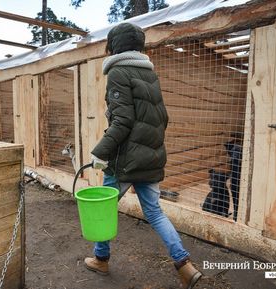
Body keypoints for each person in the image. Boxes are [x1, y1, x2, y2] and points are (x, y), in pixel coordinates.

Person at [85, 22, 202, 289]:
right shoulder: (149, 74)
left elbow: (123, 121)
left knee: (104, 209)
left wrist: (101, 153)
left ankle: (101, 259)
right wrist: (147, 147)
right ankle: (184, 265)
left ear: (113, 46)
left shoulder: (117, 72)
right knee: (155, 212)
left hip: (124, 161)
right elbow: (162, 118)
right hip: (149, 157)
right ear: (139, 47)